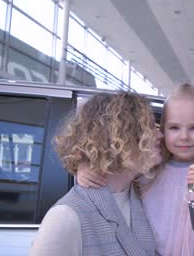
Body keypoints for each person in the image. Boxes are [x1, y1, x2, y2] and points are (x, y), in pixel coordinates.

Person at [77, 83, 194, 255]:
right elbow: (114, 171)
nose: (184, 136)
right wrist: (82, 168)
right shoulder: (150, 168)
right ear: (162, 129)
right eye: (174, 128)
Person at [30, 92, 161, 256]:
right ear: (119, 138)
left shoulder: (143, 195)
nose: (159, 135)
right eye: (149, 127)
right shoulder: (66, 218)